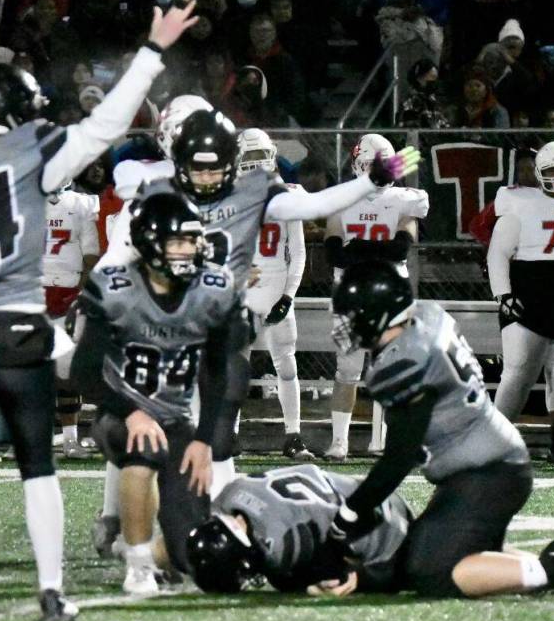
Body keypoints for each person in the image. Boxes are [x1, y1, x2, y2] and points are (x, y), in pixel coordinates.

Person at [0, 0, 201, 621]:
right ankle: (49, 590)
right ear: (18, 112)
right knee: (37, 469)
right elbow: (104, 125)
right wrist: (151, 54)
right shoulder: (30, 151)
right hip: (18, 330)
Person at [137, 114, 421, 491]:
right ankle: (216, 437)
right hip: (230, 296)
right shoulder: (223, 197)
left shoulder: (277, 196)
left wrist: (285, 295)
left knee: (268, 369)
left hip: (257, 293)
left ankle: (277, 438)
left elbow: (305, 239)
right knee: (221, 373)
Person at [325, 261, 554, 599]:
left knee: (432, 571)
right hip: (484, 464)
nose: (347, 321)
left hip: (488, 472)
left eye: (353, 311)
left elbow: (400, 456)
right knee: (422, 556)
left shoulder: (402, 361)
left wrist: (348, 514)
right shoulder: (426, 319)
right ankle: (550, 568)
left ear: (376, 311)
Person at [71, 191, 247, 595]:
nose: (189, 251)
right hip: (121, 412)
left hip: (176, 418)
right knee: (143, 448)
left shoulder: (212, 288)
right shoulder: (115, 287)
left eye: (192, 241)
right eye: (178, 242)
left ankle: (154, 553)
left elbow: (217, 370)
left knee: (191, 554)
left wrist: (204, 439)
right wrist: (130, 411)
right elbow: (84, 371)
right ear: (150, 244)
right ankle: (137, 565)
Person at [324, 134, 429, 462]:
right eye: (368, 165)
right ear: (357, 165)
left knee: (394, 368)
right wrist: (373, 252)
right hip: (351, 292)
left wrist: (357, 248)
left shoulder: (404, 199)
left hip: (390, 291)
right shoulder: (341, 199)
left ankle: (384, 441)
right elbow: (334, 254)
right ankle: (339, 441)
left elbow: (400, 247)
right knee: (348, 369)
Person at [489, 141, 554, 463]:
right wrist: (502, 294)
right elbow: (498, 252)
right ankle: (493, 443)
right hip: (531, 291)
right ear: (539, 175)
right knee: (517, 371)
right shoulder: (520, 202)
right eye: (553, 171)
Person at [187, 464, 412, 595]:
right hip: (362, 491)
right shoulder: (228, 495)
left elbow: (321, 568)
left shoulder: (279, 542)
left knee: (330, 583)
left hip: (389, 531)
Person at [236, 128, 312, 461]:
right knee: (235, 367)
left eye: (260, 155)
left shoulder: (288, 194)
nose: (256, 163)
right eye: (250, 156)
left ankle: (293, 436)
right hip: (242, 290)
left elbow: (298, 252)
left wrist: (287, 297)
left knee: (287, 367)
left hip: (277, 285)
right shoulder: (227, 196)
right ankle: (231, 435)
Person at [44, 183, 100, 459]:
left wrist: (80, 292)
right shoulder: (23, 198)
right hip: (32, 291)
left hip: (68, 291)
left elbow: (91, 253)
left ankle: (69, 440)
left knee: (67, 374)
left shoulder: (81, 204)